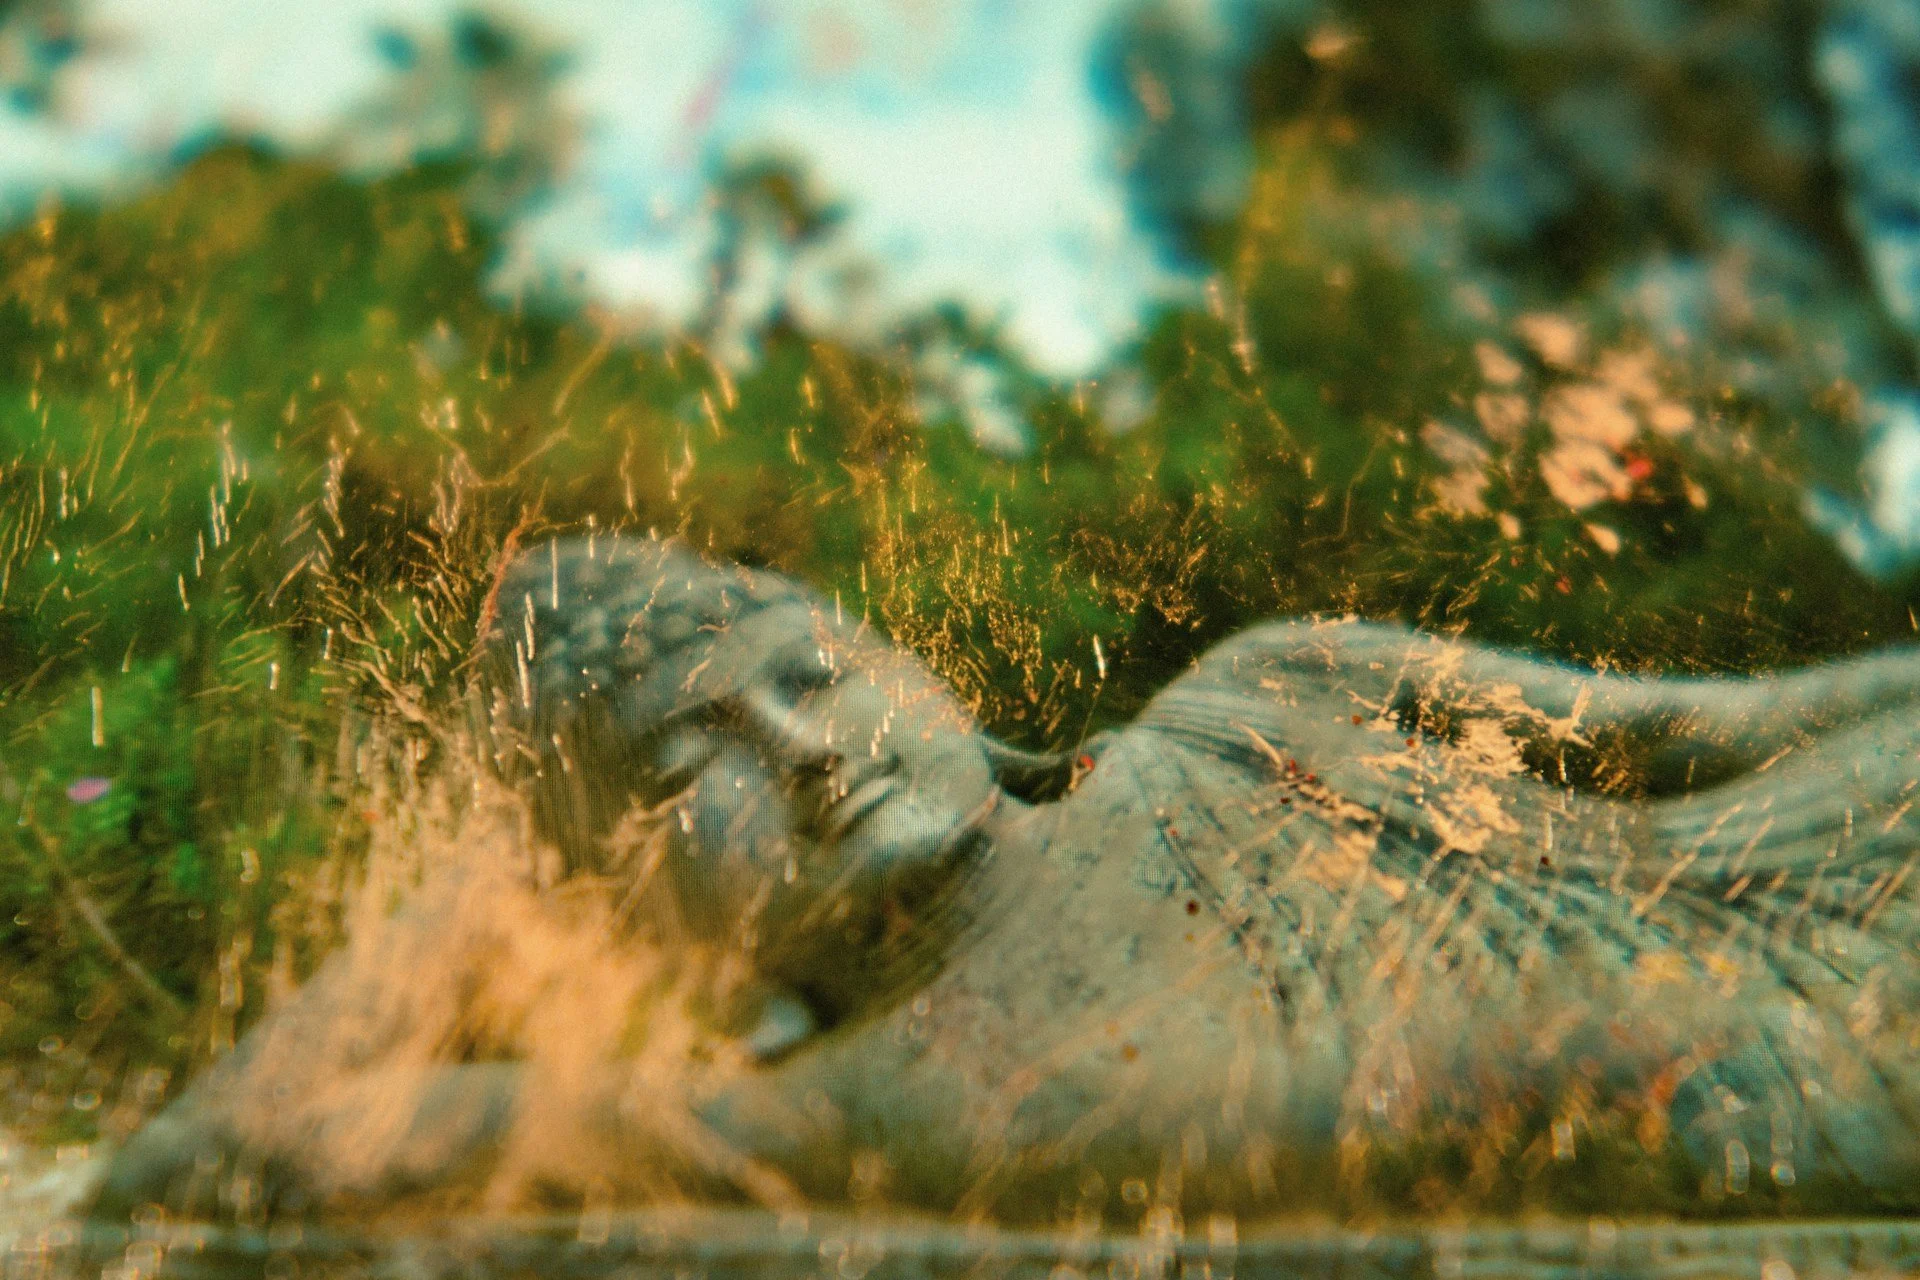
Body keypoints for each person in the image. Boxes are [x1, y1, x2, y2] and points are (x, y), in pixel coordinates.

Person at [94, 534, 1920, 1225]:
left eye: (814, 675)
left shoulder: (1269, 696)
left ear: (918, 664)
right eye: (690, 768)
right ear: (624, 896)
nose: (805, 752)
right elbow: (216, 1154)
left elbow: (1755, 728)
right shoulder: (842, 1112)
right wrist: (498, 891)